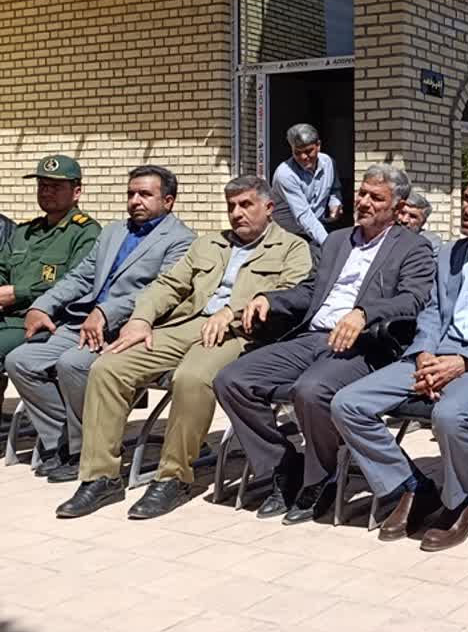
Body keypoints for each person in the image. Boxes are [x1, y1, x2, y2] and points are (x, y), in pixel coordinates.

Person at [57, 176, 311, 520]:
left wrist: (233, 313)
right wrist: (141, 319)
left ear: (268, 207)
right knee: (108, 367)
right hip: (186, 324)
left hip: (242, 333)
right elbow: (168, 285)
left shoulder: (292, 247)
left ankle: (173, 478)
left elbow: (289, 296)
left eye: (246, 205)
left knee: (192, 378)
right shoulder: (209, 244)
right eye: (231, 206)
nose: (237, 213)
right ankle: (101, 477)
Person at [330, 170, 468, 549]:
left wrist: (463, 360)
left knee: (448, 414)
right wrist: (425, 354)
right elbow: (432, 311)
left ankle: (463, 500)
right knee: (348, 404)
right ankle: (411, 486)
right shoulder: (449, 253)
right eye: (467, 199)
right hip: (435, 354)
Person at [212, 165, 436, 525]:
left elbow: (413, 299)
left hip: (364, 344)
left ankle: (321, 479)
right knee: (232, 379)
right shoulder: (337, 240)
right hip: (313, 336)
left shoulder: (413, 247)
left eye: (375, 198)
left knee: (311, 390)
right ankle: (284, 466)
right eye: (362, 193)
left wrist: (364, 313)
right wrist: (271, 298)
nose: (364, 202)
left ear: (397, 207)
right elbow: (310, 291)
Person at [6, 166, 195, 481]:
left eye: (145, 194)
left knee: (73, 364)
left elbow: (160, 291)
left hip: (129, 328)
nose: (135, 200)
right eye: (131, 193)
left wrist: (108, 312)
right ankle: (63, 442)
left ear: (168, 201)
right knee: (21, 361)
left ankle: (85, 450)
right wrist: (42, 305)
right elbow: (80, 277)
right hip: (83, 321)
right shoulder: (113, 232)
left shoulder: (182, 240)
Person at [0, 156, 102, 364]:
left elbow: (76, 284)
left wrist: (17, 293)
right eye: (42, 185)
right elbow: (2, 269)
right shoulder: (25, 232)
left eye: (55, 187)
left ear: (77, 192)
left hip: (46, 321)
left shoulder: (86, 233)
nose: (46, 192)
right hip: (7, 317)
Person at [270, 123, 344, 251]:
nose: (304, 157)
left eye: (308, 151)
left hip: (317, 229)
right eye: (297, 153)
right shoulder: (285, 174)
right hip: (289, 235)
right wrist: (329, 245)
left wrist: (334, 203)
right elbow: (304, 215)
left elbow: (334, 188)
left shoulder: (328, 162)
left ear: (318, 145)